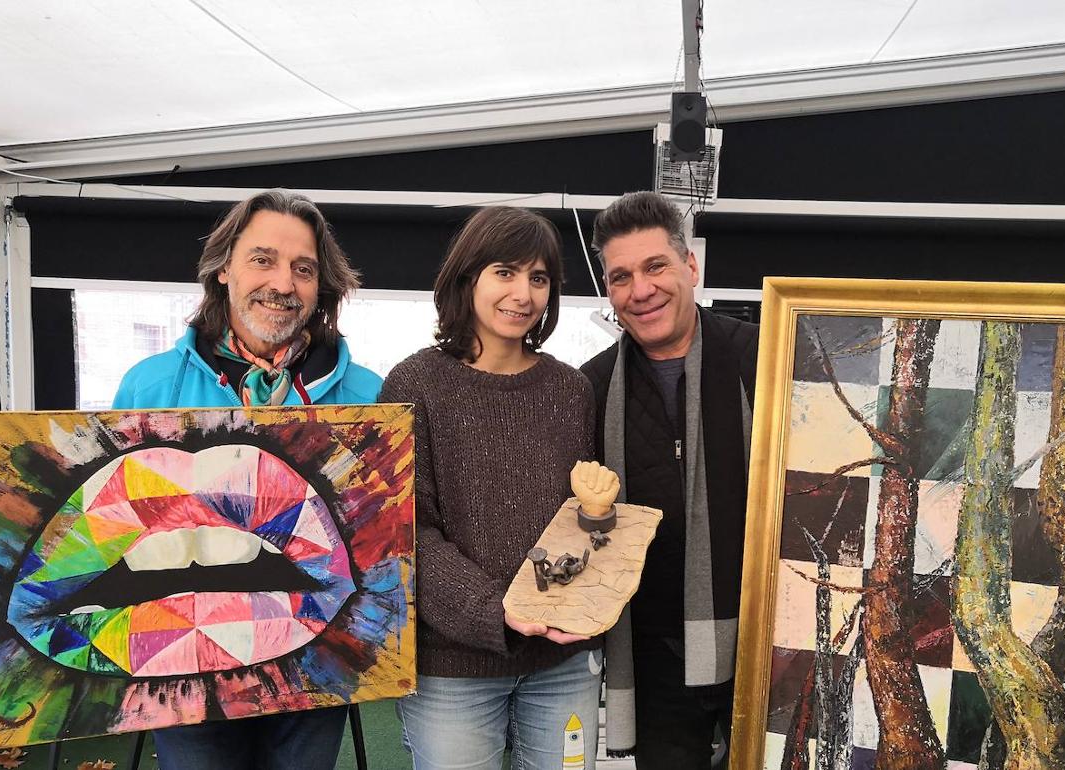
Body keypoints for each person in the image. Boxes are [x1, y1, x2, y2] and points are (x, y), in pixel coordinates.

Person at [113, 189, 382, 770]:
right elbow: (118, 523)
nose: (283, 283)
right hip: (180, 656)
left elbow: (379, 541)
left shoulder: (370, 399)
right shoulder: (148, 388)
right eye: (263, 259)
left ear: (322, 288)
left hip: (316, 653)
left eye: (303, 269)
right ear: (224, 269)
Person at [378, 206, 603, 770]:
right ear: (468, 276)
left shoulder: (571, 390)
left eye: (539, 277)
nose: (522, 293)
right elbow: (406, 528)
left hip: (563, 659)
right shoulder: (413, 384)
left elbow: (583, 519)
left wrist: (598, 522)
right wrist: (495, 608)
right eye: (505, 272)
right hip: (452, 668)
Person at [580, 191, 758, 769]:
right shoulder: (592, 386)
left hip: (762, 641)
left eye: (655, 266)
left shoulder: (765, 356)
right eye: (621, 276)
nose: (640, 290)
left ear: (691, 266)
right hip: (653, 651)